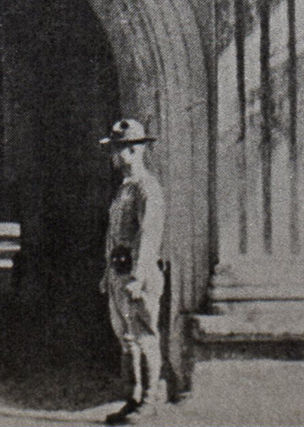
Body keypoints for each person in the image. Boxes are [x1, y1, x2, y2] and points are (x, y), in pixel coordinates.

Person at [99, 119, 167, 424]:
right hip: (118, 274)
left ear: (135, 150)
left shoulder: (146, 188)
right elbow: (115, 236)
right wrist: (107, 273)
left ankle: (149, 401)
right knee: (126, 338)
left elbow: (149, 234)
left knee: (144, 337)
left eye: (119, 149)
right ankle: (133, 397)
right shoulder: (124, 188)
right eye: (114, 148)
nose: (114, 155)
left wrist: (139, 277)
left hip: (138, 277)